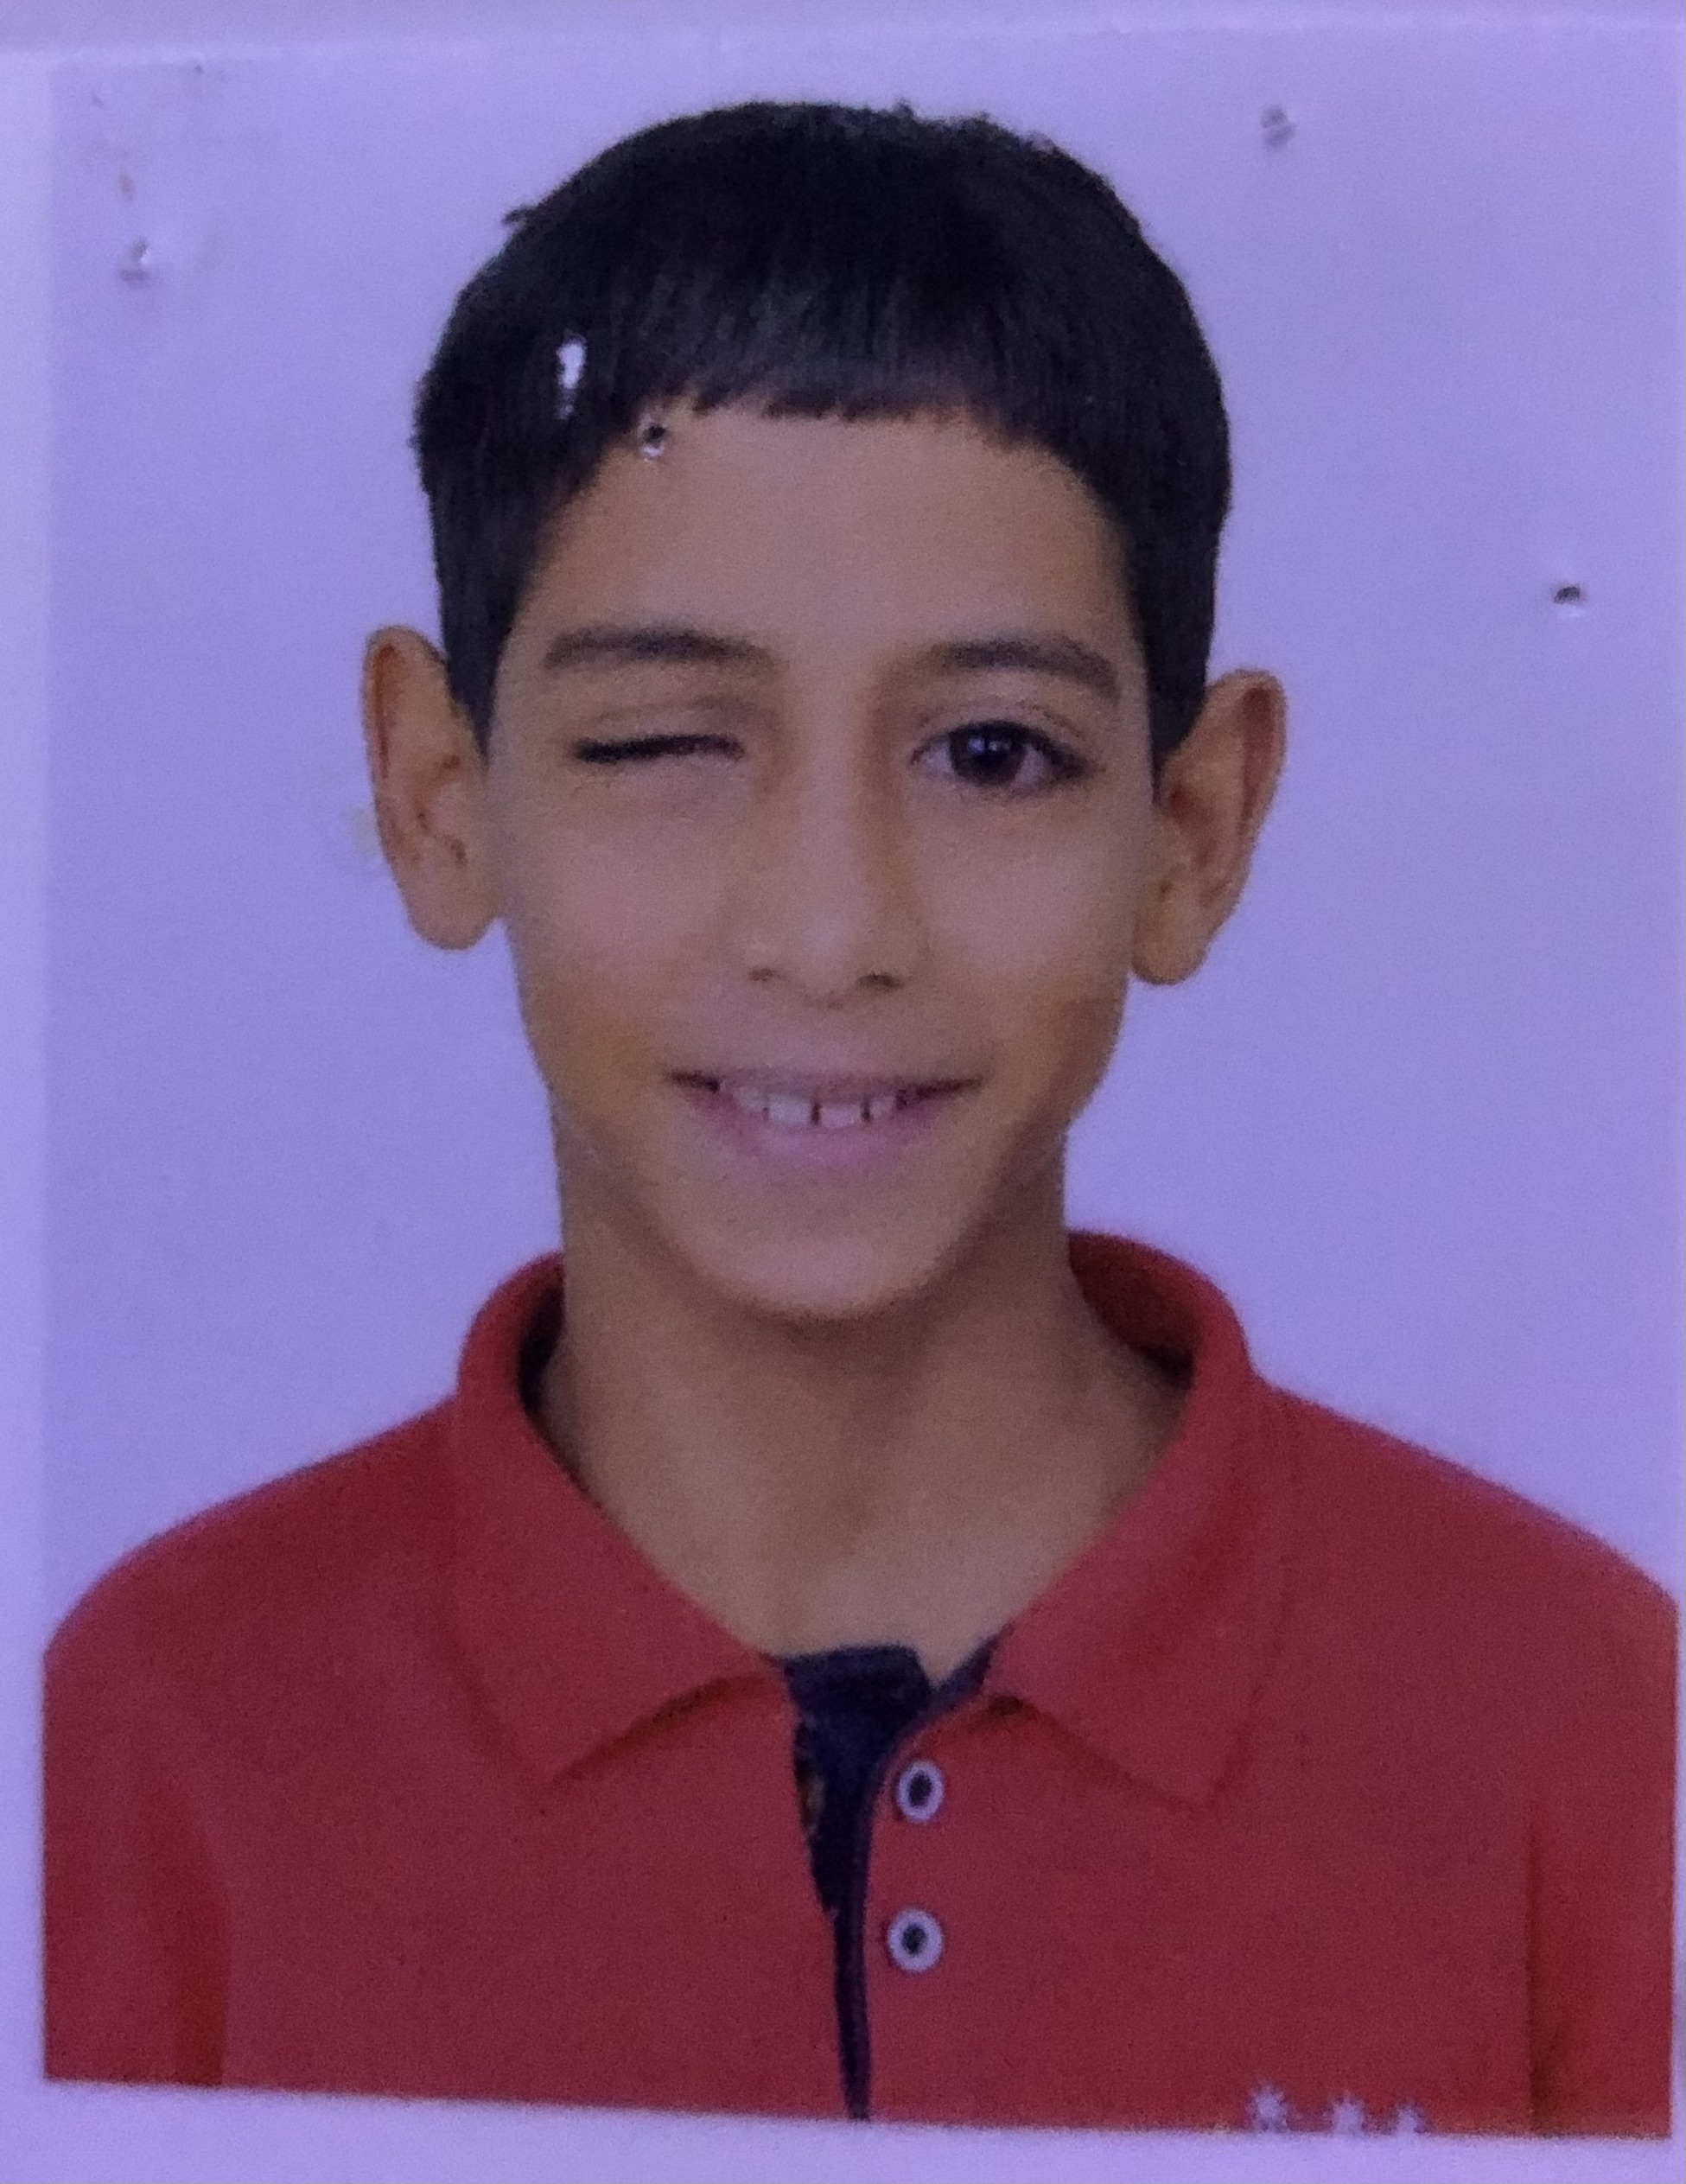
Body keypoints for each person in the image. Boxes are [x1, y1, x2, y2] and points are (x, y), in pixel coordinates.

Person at [43, 99, 1676, 2136]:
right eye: (664, 740)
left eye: (990, 754)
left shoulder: (1584, 1724)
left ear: (1193, 827)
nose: (831, 932)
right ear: (436, 796)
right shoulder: (155, 1736)